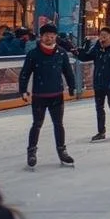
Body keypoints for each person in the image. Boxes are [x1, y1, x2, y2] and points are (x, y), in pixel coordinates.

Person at [19, 24, 76, 168]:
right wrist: (23, 90)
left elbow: (68, 72)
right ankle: (31, 152)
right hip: (39, 95)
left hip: (57, 95)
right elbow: (25, 73)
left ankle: (62, 151)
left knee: (58, 124)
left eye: (52, 36)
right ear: (41, 36)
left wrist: (72, 86)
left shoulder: (61, 53)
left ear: (55, 37)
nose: (49, 38)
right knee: (37, 124)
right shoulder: (34, 54)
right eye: (46, 36)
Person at [76, 26, 110, 142]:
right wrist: (80, 50)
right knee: (99, 107)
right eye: (101, 35)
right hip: (99, 82)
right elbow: (86, 57)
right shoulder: (98, 48)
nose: (102, 38)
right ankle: (101, 132)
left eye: (105, 35)